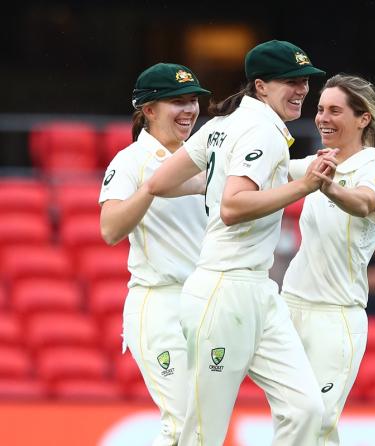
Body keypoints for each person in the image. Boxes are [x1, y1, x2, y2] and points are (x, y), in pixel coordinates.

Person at [146, 40, 336, 446]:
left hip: (257, 291)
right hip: (224, 289)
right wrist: (304, 185)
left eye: (305, 80)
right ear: (262, 86)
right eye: (291, 81)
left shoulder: (222, 125)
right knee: (201, 434)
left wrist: (220, 183)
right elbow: (232, 206)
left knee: (306, 409)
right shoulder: (261, 131)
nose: (302, 89)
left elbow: (160, 182)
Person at [281, 74, 375, 446]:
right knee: (295, 419)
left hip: (335, 318)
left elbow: (363, 202)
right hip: (289, 307)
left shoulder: (374, 173)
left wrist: (328, 187)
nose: (322, 118)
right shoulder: (318, 162)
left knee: (316, 422)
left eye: (335, 110)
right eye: (320, 109)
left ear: (363, 118)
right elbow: (269, 170)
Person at [99, 62, 211, 445]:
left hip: (207, 301)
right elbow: (110, 228)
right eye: (177, 102)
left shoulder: (205, 157)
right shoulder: (131, 161)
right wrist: (152, 188)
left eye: (193, 101)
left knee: (202, 429)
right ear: (148, 110)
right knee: (184, 426)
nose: (190, 111)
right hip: (160, 303)